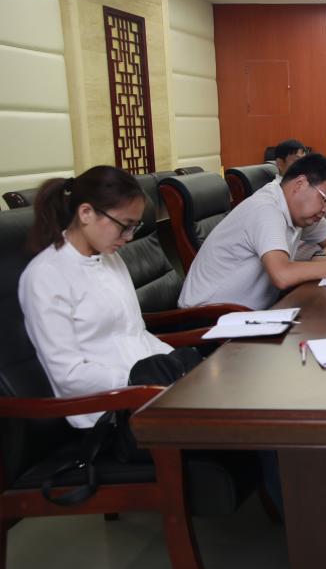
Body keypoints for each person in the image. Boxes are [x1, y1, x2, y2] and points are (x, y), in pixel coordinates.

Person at [19, 166, 201, 429]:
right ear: (86, 213)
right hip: (107, 415)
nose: (129, 238)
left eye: (134, 227)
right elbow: (69, 375)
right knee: (232, 431)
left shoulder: (110, 258)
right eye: (124, 226)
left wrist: (178, 364)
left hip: (149, 396)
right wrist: (139, 379)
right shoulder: (45, 276)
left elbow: (135, 334)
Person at [179, 153, 326, 310]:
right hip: (209, 318)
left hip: (250, 315)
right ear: (300, 184)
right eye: (325, 199)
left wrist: (321, 257)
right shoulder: (266, 208)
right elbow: (282, 275)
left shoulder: (299, 212)